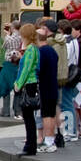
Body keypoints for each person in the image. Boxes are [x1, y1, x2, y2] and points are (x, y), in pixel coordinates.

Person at [12, 25, 40, 156]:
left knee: (28, 117)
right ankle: (30, 144)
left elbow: (26, 69)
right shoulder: (33, 49)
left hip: (29, 84)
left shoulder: (30, 50)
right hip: (30, 84)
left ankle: (30, 146)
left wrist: (18, 84)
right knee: (28, 117)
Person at [35, 21, 60, 152]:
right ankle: (51, 139)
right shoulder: (51, 50)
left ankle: (48, 141)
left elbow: (37, 70)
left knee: (46, 115)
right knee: (51, 114)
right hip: (53, 85)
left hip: (45, 86)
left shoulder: (41, 52)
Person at [0, 23, 21, 117]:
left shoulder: (8, 38)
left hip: (9, 63)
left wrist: (7, 34)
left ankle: (6, 111)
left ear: (12, 28)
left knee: (5, 87)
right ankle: (17, 110)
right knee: (17, 88)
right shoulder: (21, 37)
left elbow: (4, 47)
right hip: (18, 63)